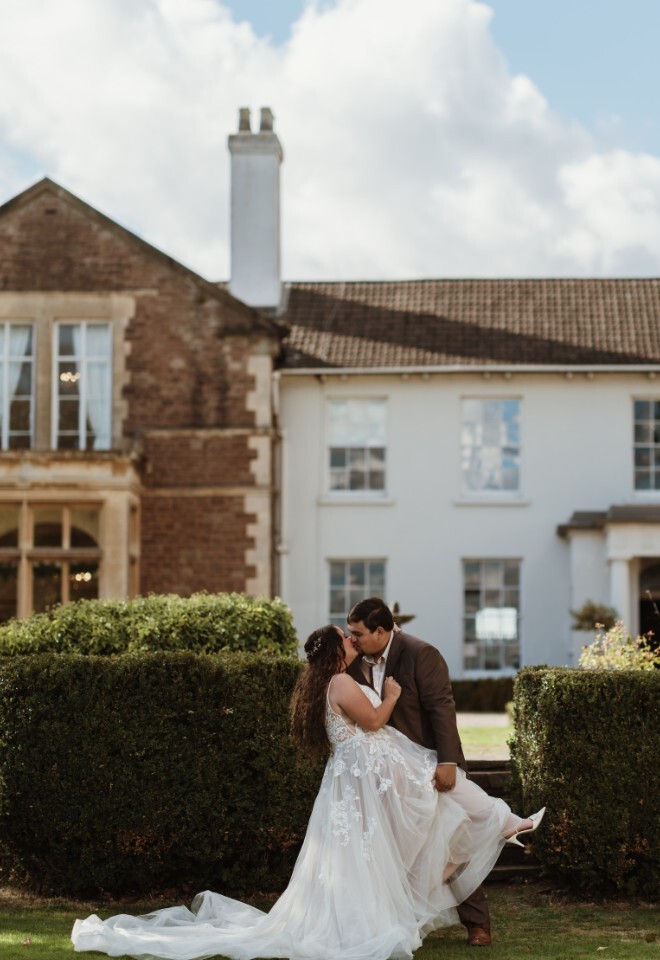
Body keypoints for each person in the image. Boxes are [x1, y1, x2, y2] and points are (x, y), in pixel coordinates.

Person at [72, 623, 543, 960]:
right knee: (410, 815)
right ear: (338, 652)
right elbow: (375, 720)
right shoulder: (341, 680)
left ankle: (497, 826)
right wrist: (394, 696)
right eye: (345, 637)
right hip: (365, 776)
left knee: (378, 843)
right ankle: (501, 824)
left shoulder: (332, 681)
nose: (351, 638)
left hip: (362, 777)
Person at [345, 596, 541, 948]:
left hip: (428, 766)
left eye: (357, 633)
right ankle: (402, 922)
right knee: (405, 852)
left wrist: (447, 762)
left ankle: (477, 924)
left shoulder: (421, 653)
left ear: (380, 630)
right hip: (386, 772)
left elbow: (441, 707)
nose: (353, 639)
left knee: (450, 841)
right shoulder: (352, 661)